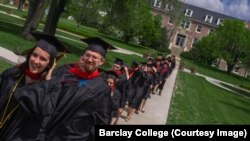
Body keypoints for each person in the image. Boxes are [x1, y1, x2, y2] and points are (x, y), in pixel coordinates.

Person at [15, 37, 116, 141]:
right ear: (83, 56)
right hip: (42, 133)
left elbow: (102, 121)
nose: (90, 59)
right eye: (87, 55)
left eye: (94, 57)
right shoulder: (65, 72)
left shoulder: (102, 89)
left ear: (101, 61)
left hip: (71, 137)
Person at [0, 32, 70, 140]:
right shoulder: (13, 73)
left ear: (50, 63)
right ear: (30, 54)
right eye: (35, 55)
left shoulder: (53, 88)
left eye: (43, 59)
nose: (36, 61)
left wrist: (47, 82)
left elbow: (43, 112)